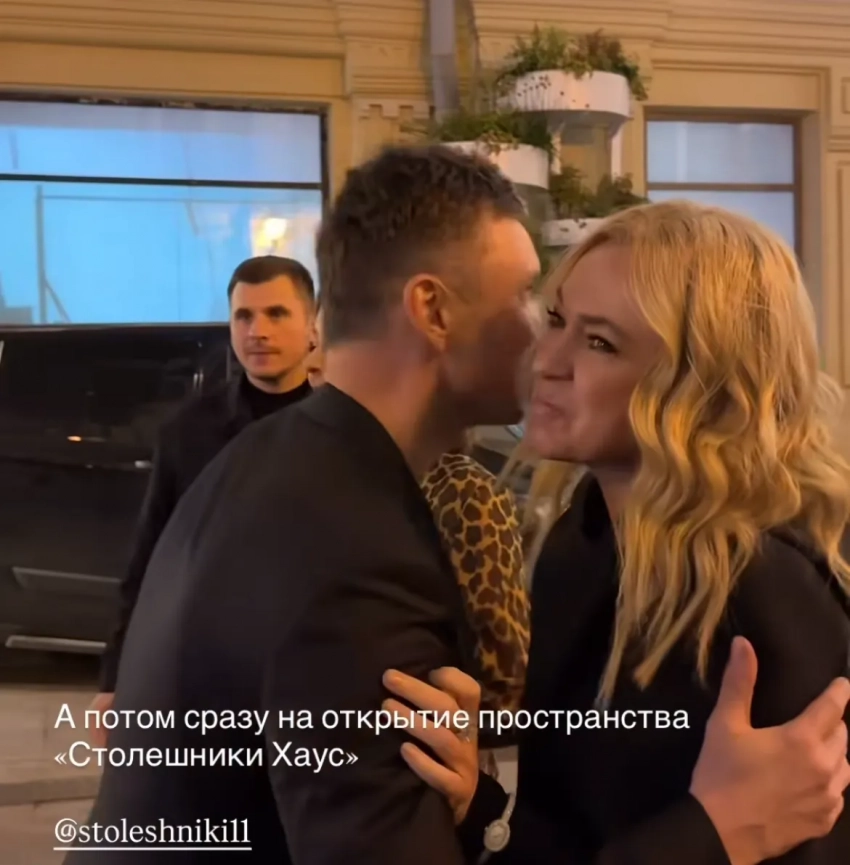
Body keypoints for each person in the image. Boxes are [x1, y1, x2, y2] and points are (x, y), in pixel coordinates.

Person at [66, 144, 539, 865]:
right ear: (434, 310)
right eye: (524, 295)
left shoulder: (267, 462)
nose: (539, 328)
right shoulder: (358, 549)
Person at [383, 200, 850, 864]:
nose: (548, 360)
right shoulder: (582, 539)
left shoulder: (763, 590)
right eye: (556, 320)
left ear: (700, 384)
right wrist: (481, 805)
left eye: (600, 342)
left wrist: (710, 835)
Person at [92, 255, 315, 732]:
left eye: (277, 314)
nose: (258, 331)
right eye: (244, 316)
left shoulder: (342, 434)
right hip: (211, 681)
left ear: (312, 326)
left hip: (314, 677)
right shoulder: (188, 433)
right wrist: (116, 681)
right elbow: (148, 562)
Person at [307, 302, 531, 718]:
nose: (311, 365)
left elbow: (504, 680)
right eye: (312, 344)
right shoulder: (321, 483)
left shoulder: (463, 493)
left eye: (328, 345)